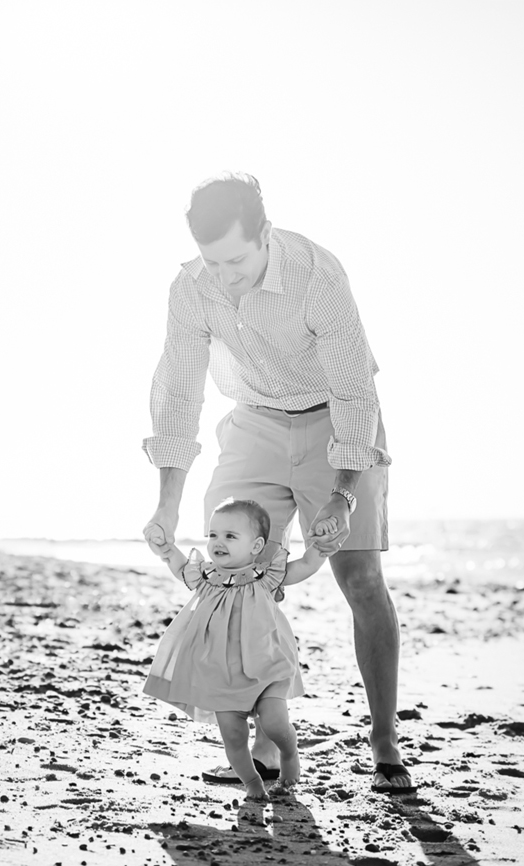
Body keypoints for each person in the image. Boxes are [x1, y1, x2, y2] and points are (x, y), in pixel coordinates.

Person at [141, 173, 412, 793]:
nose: (225, 275)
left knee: (360, 577)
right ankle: (267, 735)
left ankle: (384, 734)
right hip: (254, 424)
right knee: (235, 579)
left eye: (236, 259)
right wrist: (166, 503)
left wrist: (343, 493)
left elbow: (352, 390)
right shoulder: (193, 287)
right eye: (213, 261)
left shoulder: (316, 273)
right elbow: (177, 391)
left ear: (264, 233)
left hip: (335, 423)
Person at [144, 497, 335, 802]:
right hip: (220, 672)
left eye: (230, 536)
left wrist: (322, 546)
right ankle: (252, 783)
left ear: (256, 546)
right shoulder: (205, 577)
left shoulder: (266, 577)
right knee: (233, 735)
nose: (218, 542)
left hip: (267, 665)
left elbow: (306, 565)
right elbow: (179, 565)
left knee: (274, 722)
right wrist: (165, 548)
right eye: (213, 535)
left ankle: (288, 753)